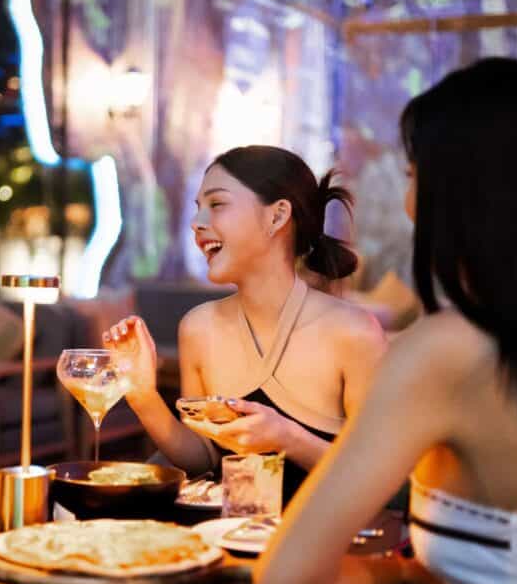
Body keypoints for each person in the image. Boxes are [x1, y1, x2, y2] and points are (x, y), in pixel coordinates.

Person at [253, 58, 517, 584]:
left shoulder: (446, 352)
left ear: (458, 192)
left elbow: (285, 577)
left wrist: (404, 575)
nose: (409, 200)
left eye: (414, 174)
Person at [103, 146, 386, 502]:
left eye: (217, 204)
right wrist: (143, 395)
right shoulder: (198, 328)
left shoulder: (354, 333)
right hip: (225, 540)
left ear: (277, 216)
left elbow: (374, 477)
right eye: (197, 208)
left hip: (322, 547)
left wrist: (288, 438)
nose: (196, 223)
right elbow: (202, 458)